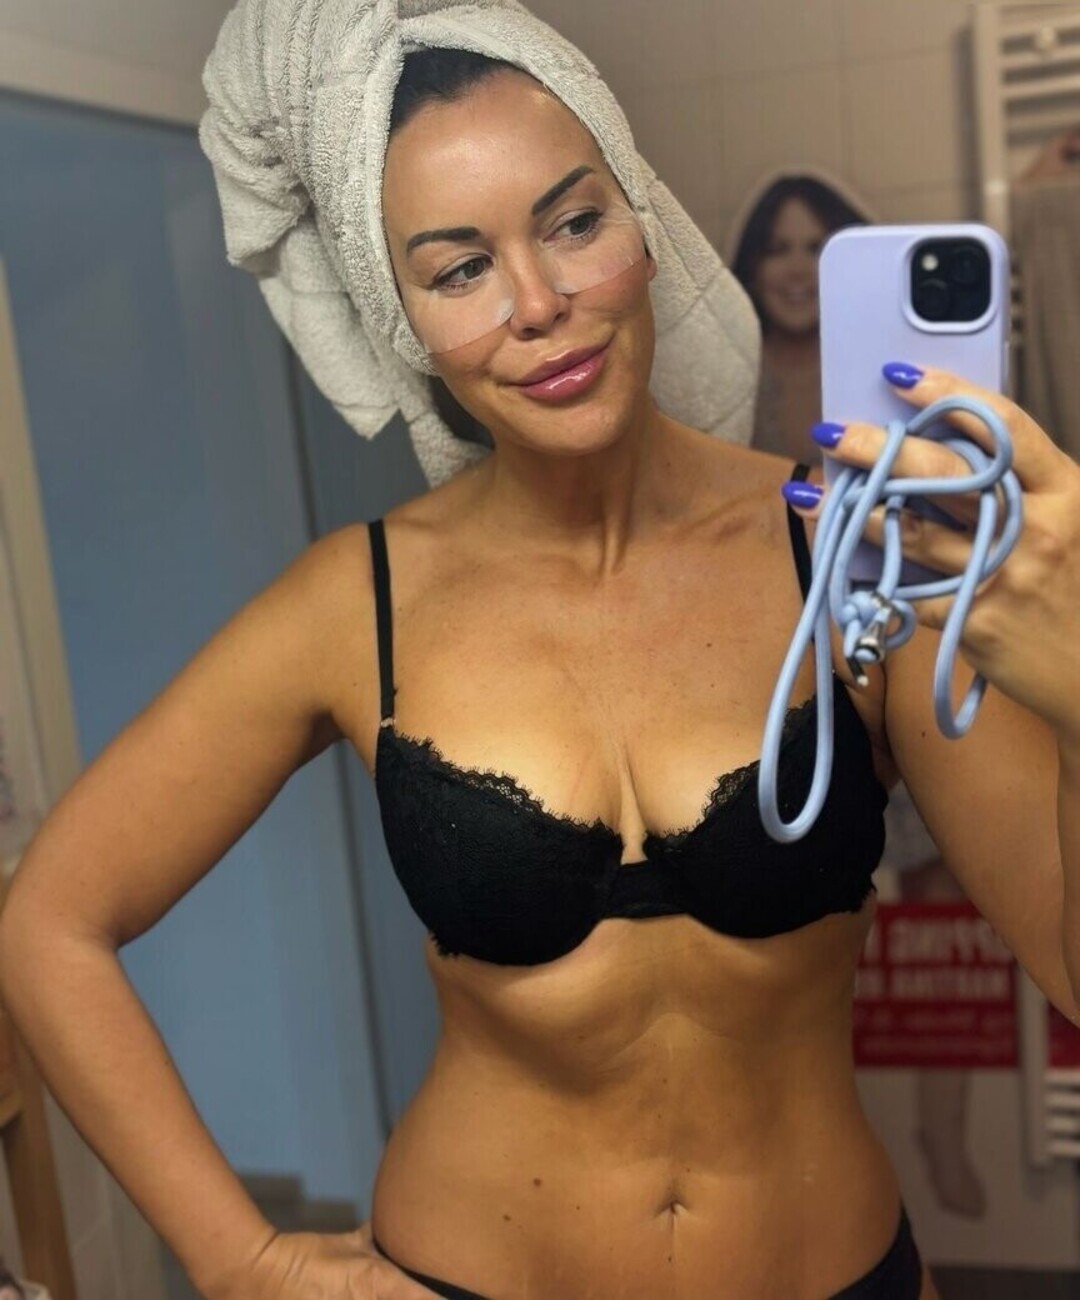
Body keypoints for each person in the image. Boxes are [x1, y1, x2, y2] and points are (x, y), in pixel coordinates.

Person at [2, 3, 1079, 1299]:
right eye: (460, 270)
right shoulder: (357, 602)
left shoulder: (855, 555)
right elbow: (50, 922)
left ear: (645, 225)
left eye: (572, 224)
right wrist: (243, 1259)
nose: (539, 305)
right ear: (401, 316)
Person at [727, 171, 872, 464]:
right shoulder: (722, 375)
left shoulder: (875, 367)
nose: (797, 269)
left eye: (817, 249)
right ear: (753, 268)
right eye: (777, 250)